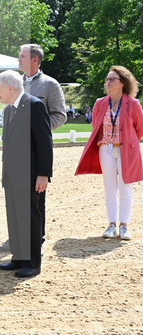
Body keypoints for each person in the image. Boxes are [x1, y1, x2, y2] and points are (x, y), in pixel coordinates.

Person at [0, 43, 66, 253]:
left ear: (34, 60)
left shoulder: (50, 84)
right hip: (15, 154)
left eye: (22, 56)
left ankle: (37, 239)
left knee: (36, 199)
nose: (18, 60)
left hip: (35, 151)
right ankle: (16, 239)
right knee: (16, 200)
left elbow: (60, 115)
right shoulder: (13, 82)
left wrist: (36, 129)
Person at [0, 70, 52, 278]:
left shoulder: (34, 105)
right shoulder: (8, 109)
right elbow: (8, 145)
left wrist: (43, 174)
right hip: (12, 175)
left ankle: (32, 263)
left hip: (30, 175)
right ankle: (19, 257)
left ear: (10, 88)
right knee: (14, 217)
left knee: (29, 217)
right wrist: (5, 171)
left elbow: (44, 142)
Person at [75, 66, 143, 240]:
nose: (108, 82)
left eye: (112, 79)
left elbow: (140, 128)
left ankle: (124, 226)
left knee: (126, 187)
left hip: (126, 149)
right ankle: (111, 224)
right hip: (105, 149)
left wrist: (128, 142)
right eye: (107, 79)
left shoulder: (133, 103)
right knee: (109, 188)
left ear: (123, 83)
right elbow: (96, 126)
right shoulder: (100, 103)